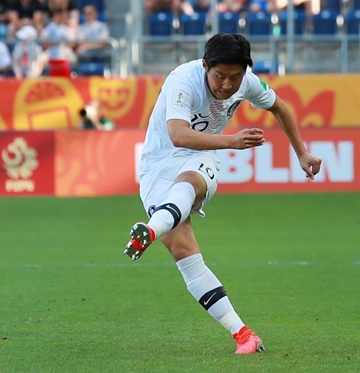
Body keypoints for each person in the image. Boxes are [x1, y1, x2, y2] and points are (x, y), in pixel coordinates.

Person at [123, 33, 322, 354]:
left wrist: (301, 152)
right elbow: (177, 135)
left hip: (201, 156)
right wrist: (232, 141)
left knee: (190, 181)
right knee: (183, 251)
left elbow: (279, 106)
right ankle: (243, 334)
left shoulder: (248, 82)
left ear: (245, 72)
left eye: (235, 77)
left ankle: (150, 229)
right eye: (219, 76)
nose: (227, 85)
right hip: (156, 165)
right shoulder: (182, 81)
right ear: (205, 66)